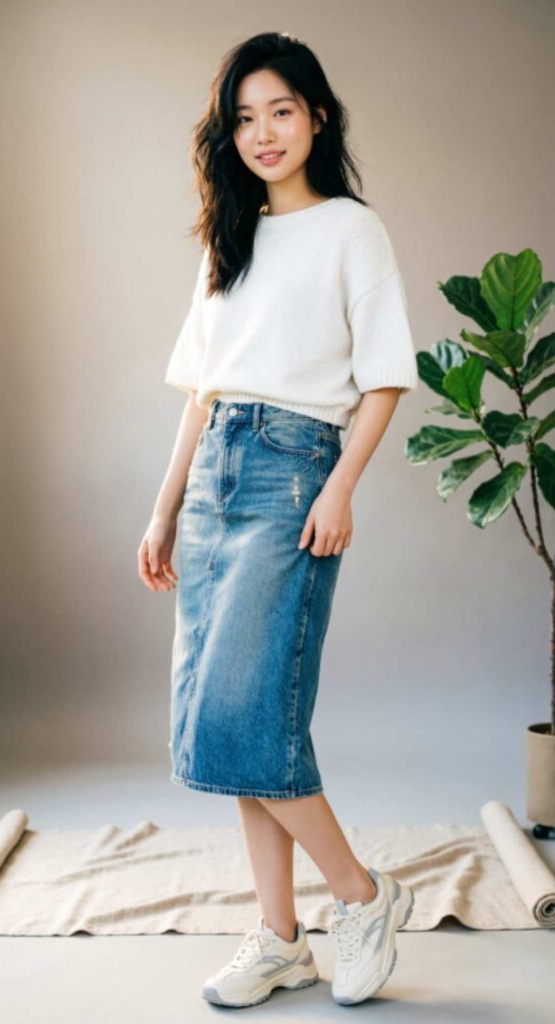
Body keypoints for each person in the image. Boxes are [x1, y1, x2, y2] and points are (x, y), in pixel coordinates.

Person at [138, 30, 417, 1009]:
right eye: (245, 117)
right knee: (229, 726)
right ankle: (280, 935)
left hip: (296, 472)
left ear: (318, 117)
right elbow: (202, 392)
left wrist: (340, 485)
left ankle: (364, 895)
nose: (263, 133)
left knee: (252, 715)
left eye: (282, 111)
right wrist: (165, 508)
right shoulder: (231, 235)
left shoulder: (352, 229)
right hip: (215, 478)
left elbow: (384, 376)